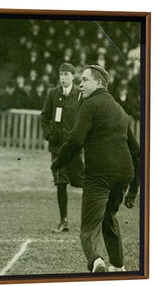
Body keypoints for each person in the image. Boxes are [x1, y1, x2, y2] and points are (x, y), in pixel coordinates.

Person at [51, 65, 140, 272]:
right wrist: (134, 189)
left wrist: (57, 163)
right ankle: (118, 266)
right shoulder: (120, 109)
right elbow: (137, 152)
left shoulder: (89, 105)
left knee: (90, 225)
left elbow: (75, 140)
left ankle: (97, 262)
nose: (80, 84)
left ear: (99, 82)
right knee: (109, 217)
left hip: (99, 173)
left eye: (85, 80)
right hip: (123, 174)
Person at [40, 63, 84, 233]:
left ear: (73, 76)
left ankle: (92, 219)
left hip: (74, 147)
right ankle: (63, 220)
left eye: (66, 74)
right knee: (60, 181)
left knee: (81, 181)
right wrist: (49, 135)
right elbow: (44, 117)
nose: (63, 78)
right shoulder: (53, 94)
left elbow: (86, 118)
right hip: (57, 148)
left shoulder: (80, 95)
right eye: (61, 74)